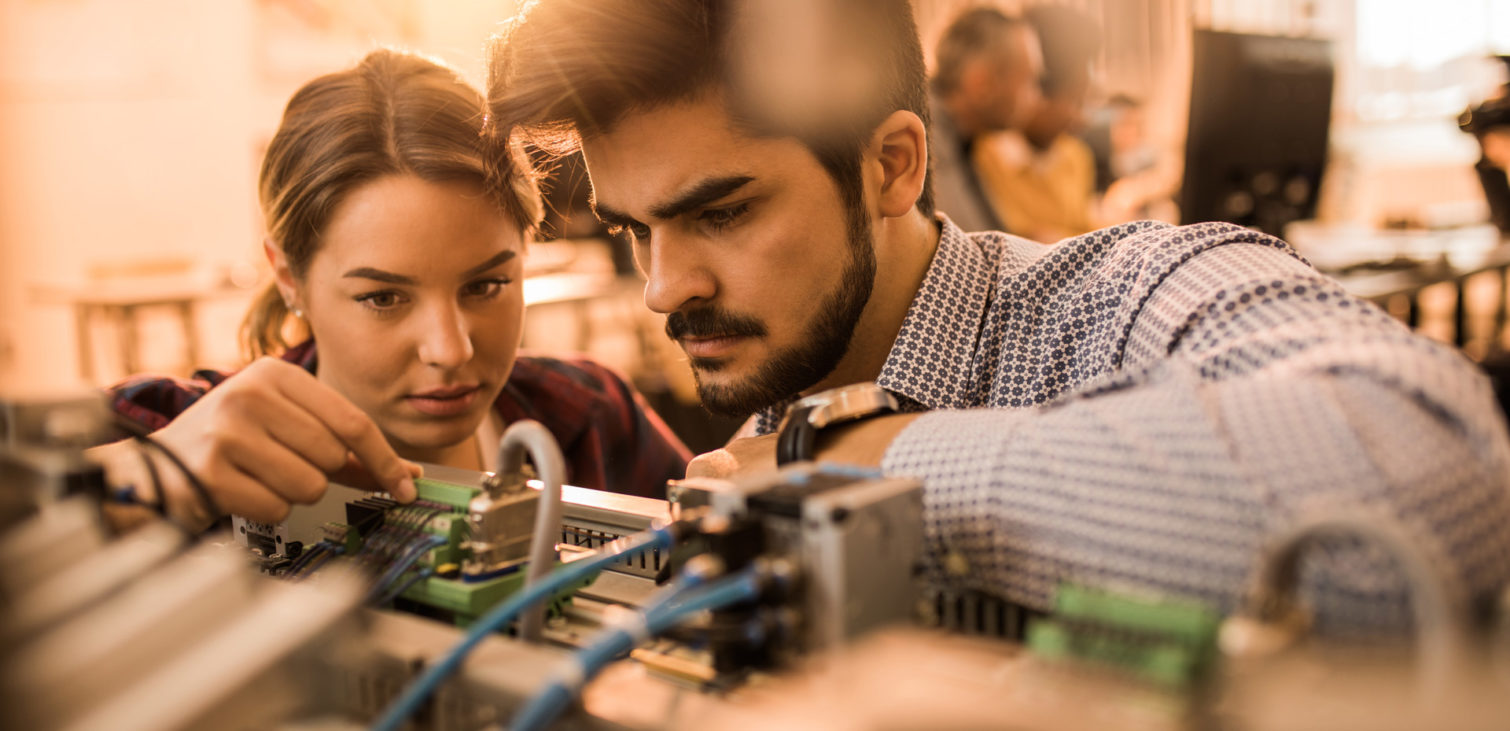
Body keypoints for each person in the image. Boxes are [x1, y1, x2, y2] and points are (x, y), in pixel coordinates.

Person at [486, 0, 1510, 633]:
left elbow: (1429, 492)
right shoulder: (759, 436)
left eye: (721, 211)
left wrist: (878, 458)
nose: (664, 288)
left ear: (892, 164)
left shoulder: (1131, 296)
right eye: (635, 231)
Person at [90, 50, 691, 533]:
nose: (450, 350)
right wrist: (141, 480)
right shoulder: (167, 429)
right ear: (288, 278)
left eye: (487, 284)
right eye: (384, 298)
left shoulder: (588, 418)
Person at [971, 4, 1100, 242]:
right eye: (1075, 100)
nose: (1081, 118)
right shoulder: (981, 157)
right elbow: (1014, 245)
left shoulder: (1076, 157)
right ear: (1036, 89)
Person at [926, 6, 1042, 233]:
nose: (1036, 98)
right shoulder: (928, 132)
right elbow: (968, 244)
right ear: (982, 83)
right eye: (1029, 80)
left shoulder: (963, 136)